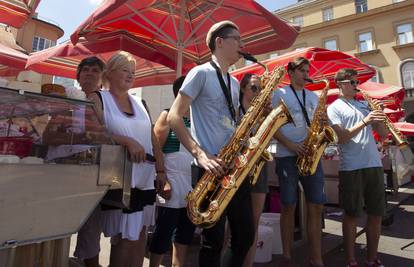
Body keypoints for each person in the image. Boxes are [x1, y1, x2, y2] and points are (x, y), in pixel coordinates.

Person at [167, 20, 255, 267]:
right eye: (237, 39)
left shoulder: (234, 82)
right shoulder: (200, 73)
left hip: (233, 166)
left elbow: (229, 122)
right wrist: (200, 154)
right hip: (210, 167)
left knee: (245, 237)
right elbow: (175, 115)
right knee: (212, 241)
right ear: (220, 41)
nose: (242, 44)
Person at [89, 51, 167, 267]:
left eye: (133, 72)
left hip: (145, 178)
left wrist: (161, 171)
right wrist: (126, 140)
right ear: (110, 73)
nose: (131, 75)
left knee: (139, 234)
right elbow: (91, 134)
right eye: (125, 70)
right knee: (124, 237)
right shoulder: (98, 98)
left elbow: (152, 139)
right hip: (118, 178)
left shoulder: (140, 102)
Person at [327, 68, 387, 267]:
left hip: (373, 163)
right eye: (352, 82)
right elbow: (341, 137)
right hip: (351, 166)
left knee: (376, 213)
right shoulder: (334, 107)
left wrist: (379, 115)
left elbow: (383, 134)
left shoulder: (363, 105)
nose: (356, 85)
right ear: (340, 84)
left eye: (356, 82)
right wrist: (364, 121)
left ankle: (372, 258)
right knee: (352, 214)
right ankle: (350, 259)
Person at [272, 57, 326, 267]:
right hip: (287, 155)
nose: (306, 74)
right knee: (288, 204)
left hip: (311, 154)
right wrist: (291, 145)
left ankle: (316, 257)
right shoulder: (279, 94)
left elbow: (320, 125)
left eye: (307, 70)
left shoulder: (313, 96)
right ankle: (286, 255)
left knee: (316, 205)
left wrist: (322, 125)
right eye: (301, 70)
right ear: (291, 72)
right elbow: (271, 126)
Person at [149, 76, 196, 267]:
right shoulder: (167, 115)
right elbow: (156, 148)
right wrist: (163, 178)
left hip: (193, 185)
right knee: (164, 231)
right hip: (172, 182)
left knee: (185, 233)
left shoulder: (197, 119)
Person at [72, 56, 106, 267]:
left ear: (102, 78)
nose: (90, 73)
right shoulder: (68, 98)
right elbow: (50, 134)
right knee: (57, 224)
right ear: (78, 76)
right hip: (63, 171)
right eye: (85, 70)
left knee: (91, 230)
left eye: (95, 70)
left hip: (91, 171)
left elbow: (100, 133)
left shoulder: (105, 101)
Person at [239, 73, 269, 267]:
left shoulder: (261, 112)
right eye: (254, 88)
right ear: (243, 88)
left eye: (260, 89)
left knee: (254, 221)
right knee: (234, 222)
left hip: (258, 165)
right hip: (238, 166)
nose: (258, 93)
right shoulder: (234, 110)